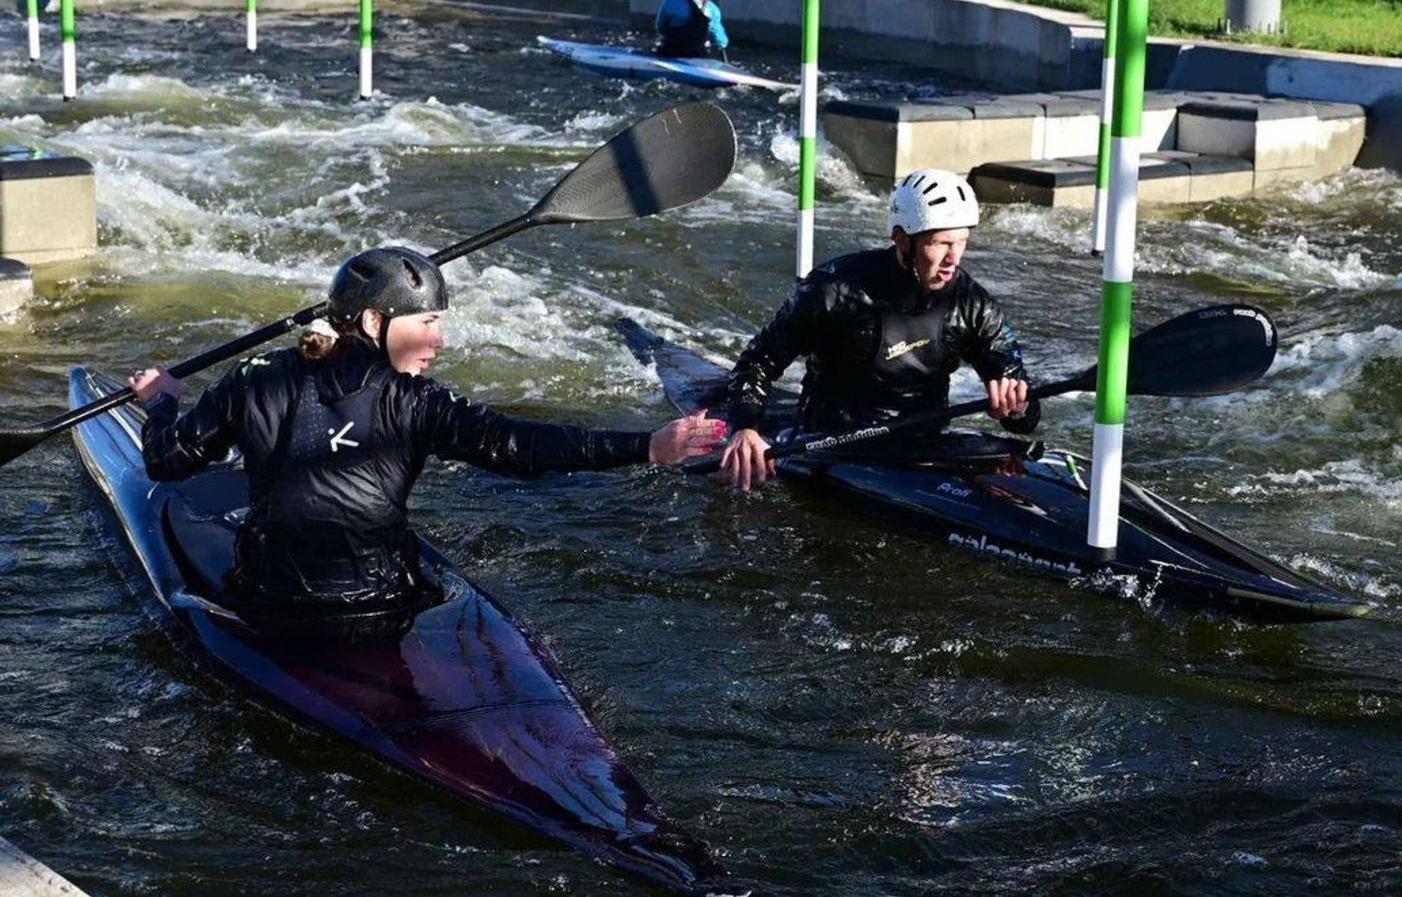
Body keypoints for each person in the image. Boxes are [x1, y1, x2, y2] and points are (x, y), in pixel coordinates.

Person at [128, 246, 724, 634]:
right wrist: (647, 447)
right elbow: (522, 448)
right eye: (428, 323)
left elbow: (167, 462)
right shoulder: (417, 401)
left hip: (270, 597)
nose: (438, 341)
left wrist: (161, 402)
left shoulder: (251, 379)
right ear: (371, 322)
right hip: (379, 604)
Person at [718, 168, 1039, 491]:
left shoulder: (973, 304)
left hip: (923, 445)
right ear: (901, 238)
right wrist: (745, 428)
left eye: (962, 243)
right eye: (940, 243)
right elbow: (757, 363)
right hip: (831, 444)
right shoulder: (833, 290)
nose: (953, 260)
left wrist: (1016, 405)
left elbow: (1026, 415)